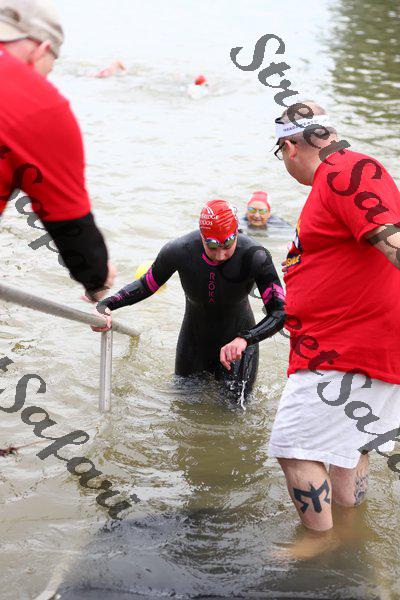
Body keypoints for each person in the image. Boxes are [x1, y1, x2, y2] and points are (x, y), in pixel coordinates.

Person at [268, 100, 400, 531]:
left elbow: (391, 241)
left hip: (346, 347)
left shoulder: (346, 170)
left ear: (289, 148)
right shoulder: (337, 176)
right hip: (351, 344)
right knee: (348, 447)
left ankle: (320, 545)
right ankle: (348, 535)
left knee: (293, 448)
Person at [93, 199, 285, 404]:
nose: (220, 255)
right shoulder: (180, 250)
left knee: (235, 410)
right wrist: (106, 305)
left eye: (227, 244)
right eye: (212, 246)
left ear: (237, 232)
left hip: (238, 346)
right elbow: (146, 285)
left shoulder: (255, 255)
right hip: (193, 343)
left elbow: (280, 312)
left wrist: (245, 339)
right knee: (182, 407)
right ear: (202, 236)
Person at [0, 0, 115, 301]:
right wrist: (98, 279)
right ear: (42, 50)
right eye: (49, 68)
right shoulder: (40, 105)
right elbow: (70, 227)